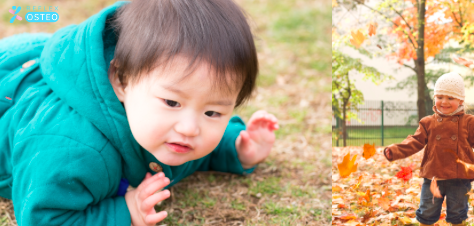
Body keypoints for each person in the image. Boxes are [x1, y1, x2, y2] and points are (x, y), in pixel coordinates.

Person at [0, 0, 279, 225]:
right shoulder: (73, 149)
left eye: (213, 113)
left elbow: (190, 152)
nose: (190, 129)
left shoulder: (163, 118)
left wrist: (235, 147)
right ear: (121, 81)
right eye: (172, 103)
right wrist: (125, 212)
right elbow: (45, 218)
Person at [383, 72, 474, 226]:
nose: (444, 102)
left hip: (459, 178)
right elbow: (415, 141)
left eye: (450, 98)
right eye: (440, 97)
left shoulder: (468, 122)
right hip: (433, 177)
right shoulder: (428, 122)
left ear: (460, 100)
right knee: (426, 212)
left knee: (457, 214)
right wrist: (395, 150)